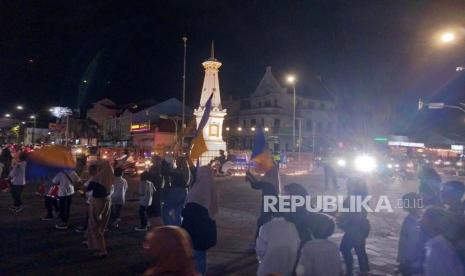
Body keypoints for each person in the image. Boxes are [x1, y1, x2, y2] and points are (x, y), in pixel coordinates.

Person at [181, 166, 218, 276]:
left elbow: (192, 208)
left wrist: (184, 211)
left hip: (195, 228)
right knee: (201, 254)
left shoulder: (200, 186)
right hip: (206, 227)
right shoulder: (210, 185)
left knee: (197, 254)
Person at [337, 177, 370, 276]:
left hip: (354, 228)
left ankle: (350, 270)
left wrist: (344, 222)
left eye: (350, 184)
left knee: (345, 248)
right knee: (359, 249)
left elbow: (356, 215)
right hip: (358, 228)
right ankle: (363, 270)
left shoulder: (356, 198)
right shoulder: (358, 196)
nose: (348, 186)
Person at [420, 207, 465, 276]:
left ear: (432, 224)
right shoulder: (447, 244)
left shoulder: (438, 249)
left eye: (423, 221)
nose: (420, 223)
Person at [255, 212, 301, 276]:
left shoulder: (266, 226)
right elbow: (297, 244)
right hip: (286, 269)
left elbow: (260, 249)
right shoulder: (292, 226)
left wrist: (260, 259)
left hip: (268, 269)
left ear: (272, 215)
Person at [85, 160, 114, 258]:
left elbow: (87, 188)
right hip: (107, 200)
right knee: (101, 224)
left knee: (95, 225)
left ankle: (102, 249)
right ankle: (91, 242)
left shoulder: (97, 178)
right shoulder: (109, 176)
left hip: (97, 201)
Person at [397, 192, 423, 276]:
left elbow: (411, 241)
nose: (403, 205)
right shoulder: (413, 217)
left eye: (405, 203)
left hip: (410, 259)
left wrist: (405, 259)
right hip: (410, 258)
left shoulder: (412, 220)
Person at [162, 156, 189, 226]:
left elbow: (165, 173)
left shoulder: (178, 170)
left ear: (179, 162)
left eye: (177, 161)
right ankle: (178, 229)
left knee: (165, 211)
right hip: (184, 192)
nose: (176, 162)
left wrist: (165, 164)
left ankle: (171, 226)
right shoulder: (186, 169)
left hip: (176, 192)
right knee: (178, 213)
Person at [75, 164, 98, 232]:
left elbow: (86, 188)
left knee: (90, 215)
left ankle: (88, 229)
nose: (89, 171)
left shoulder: (94, 178)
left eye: (90, 170)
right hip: (94, 199)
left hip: (92, 200)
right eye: (89, 170)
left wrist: (80, 191)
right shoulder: (95, 177)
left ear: (95, 170)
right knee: (92, 215)